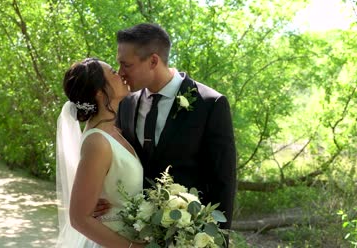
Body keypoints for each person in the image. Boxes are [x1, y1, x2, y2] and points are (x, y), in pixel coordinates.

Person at [96, 23, 237, 229]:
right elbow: (112, 158)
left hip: (186, 232)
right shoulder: (125, 103)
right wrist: (98, 195)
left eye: (127, 65)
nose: (120, 73)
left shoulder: (210, 104)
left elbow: (223, 181)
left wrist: (215, 238)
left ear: (153, 61)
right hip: (131, 227)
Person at [56, 58, 144, 247]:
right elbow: (79, 219)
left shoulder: (113, 131)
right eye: (113, 72)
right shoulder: (97, 142)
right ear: (98, 92)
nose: (120, 74)